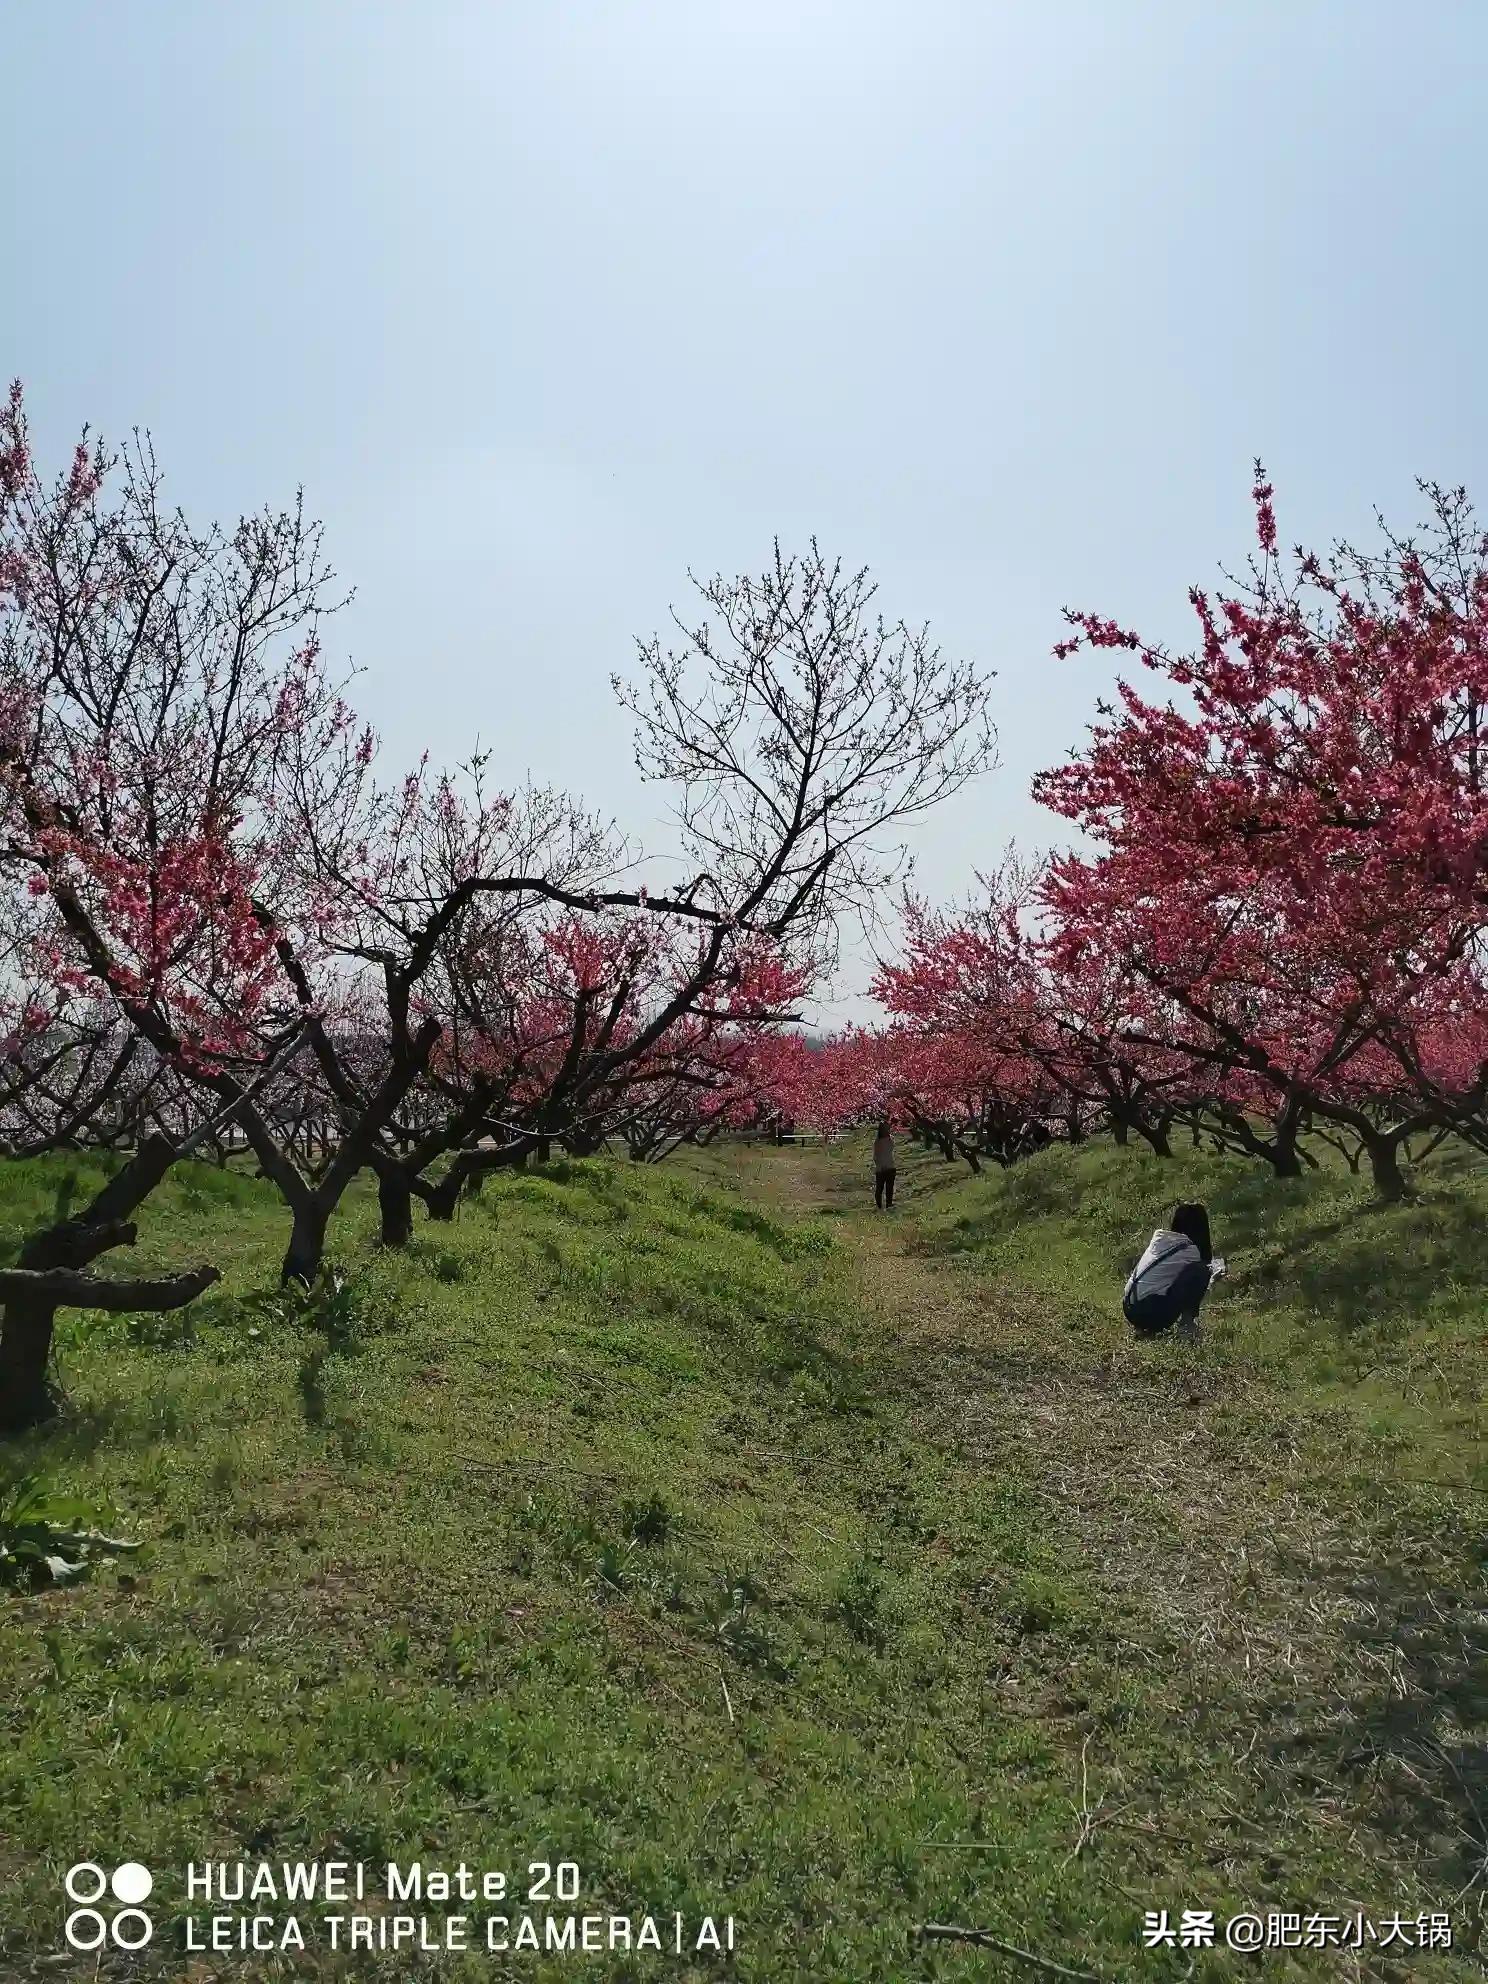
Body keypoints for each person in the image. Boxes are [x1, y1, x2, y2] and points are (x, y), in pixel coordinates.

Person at [1122, 1202, 1225, 1339]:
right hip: (1147, 1312)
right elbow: (1201, 1274)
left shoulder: (1161, 1241)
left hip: (1129, 1308)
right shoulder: (1189, 1249)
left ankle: (1144, 1328)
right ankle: (1187, 1326)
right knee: (1201, 1270)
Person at [872, 1121, 896, 1209]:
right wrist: (880, 1164)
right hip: (882, 1168)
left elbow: (890, 1148)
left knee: (889, 1188)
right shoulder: (878, 1142)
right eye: (887, 1128)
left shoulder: (889, 1140)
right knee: (880, 1189)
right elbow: (876, 1156)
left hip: (889, 1167)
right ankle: (879, 1206)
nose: (888, 1130)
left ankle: (888, 1204)